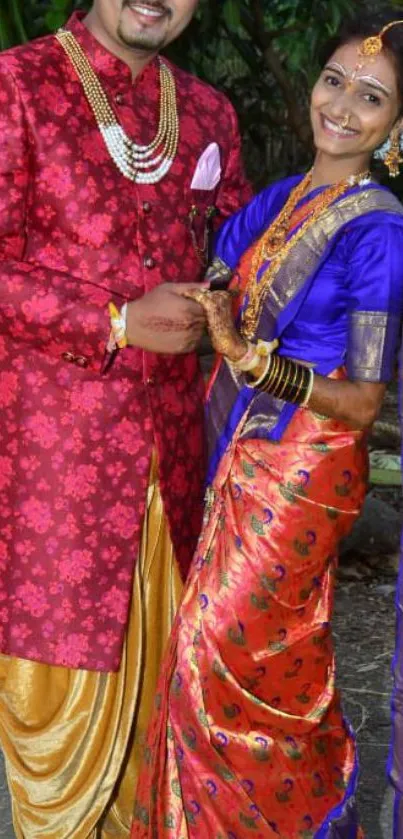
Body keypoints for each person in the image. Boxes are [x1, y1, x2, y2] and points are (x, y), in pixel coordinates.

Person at [131, 10, 403, 838]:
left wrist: (251, 362)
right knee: (238, 660)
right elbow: (216, 280)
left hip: (301, 471)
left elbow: (362, 400)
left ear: (397, 127)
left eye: (370, 98)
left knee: (219, 657)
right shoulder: (283, 195)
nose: (341, 107)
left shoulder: (380, 232)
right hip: (232, 450)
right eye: (332, 81)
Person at [0, 1, 252, 836]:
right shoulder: (18, 86)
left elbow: (242, 263)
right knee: (55, 718)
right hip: (54, 472)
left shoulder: (209, 110)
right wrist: (111, 319)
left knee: (158, 730)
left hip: (177, 470)